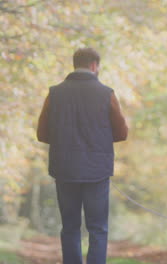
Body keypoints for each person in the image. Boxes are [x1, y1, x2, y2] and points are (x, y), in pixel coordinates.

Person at [36, 48, 128, 264]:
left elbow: (41, 133)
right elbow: (122, 133)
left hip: (65, 169)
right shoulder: (107, 94)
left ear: (75, 64)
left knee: (69, 227)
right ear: (94, 65)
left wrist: (63, 141)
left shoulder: (55, 93)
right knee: (98, 228)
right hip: (97, 170)